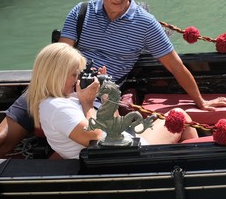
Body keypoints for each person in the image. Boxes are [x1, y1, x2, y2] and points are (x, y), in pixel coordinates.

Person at [0, 0, 226, 159]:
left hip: (97, 95)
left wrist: (201, 101)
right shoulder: (81, 12)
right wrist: (45, 94)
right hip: (54, 86)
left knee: (80, 151)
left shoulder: (146, 24)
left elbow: (175, 66)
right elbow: (59, 57)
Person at [26, 43, 198, 159]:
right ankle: (194, 167)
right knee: (180, 116)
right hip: (127, 157)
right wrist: (87, 103)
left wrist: (107, 98)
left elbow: (114, 126)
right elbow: (96, 137)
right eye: (74, 74)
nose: (78, 79)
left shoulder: (66, 99)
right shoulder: (56, 107)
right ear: (56, 75)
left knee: (177, 116)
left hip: (122, 148)